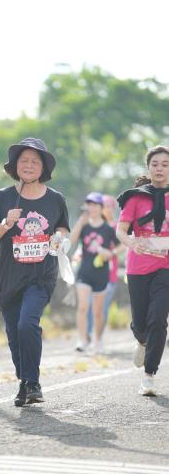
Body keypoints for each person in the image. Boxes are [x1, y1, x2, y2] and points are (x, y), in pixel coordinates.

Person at [0, 137, 70, 407]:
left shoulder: (55, 199)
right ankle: (24, 381)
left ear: (43, 167)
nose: (29, 165)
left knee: (27, 323)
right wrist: (7, 224)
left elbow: (63, 228)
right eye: (24, 161)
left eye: (35, 161)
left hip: (41, 275)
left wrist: (59, 238)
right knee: (13, 331)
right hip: (9, 276)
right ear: (15, 165)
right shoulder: (1, 197)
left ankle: (33, 382)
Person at [116, 145, 169, 396]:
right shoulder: (136, 197)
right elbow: (121, 230)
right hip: (138, 266)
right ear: (148, 167)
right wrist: (131, 242)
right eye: (155, 164)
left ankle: (149, 375)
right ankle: (141, 340)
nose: (160, 168)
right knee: (141, 322)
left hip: (166, 267)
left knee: (158, 318)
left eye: (165, 164)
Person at [70, 192, 119, 353]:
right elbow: (72, 240)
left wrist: (110, 253)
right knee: (83, 306)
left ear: (101, 207)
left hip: (101, 274)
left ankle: (98, 340)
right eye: (89, 204)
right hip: (84, 272)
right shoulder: (84, 226)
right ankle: (82, 340)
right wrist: (80, 221)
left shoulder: (108, 228)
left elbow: (122, 245)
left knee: (98, 311)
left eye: (95, 204)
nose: (92, 207)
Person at [87, 195, 126, 338]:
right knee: (90, 305)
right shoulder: (93, 226)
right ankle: (89, 335)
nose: (105, 209)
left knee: (102, 308)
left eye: (108, 206)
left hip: (110, 275)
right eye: (102, 206)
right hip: (91, 272)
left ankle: (98, 337)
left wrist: (111, 252)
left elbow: (124, 244)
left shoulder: (116, 227)